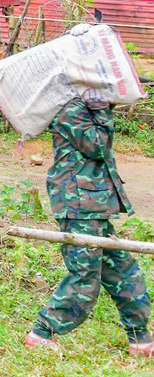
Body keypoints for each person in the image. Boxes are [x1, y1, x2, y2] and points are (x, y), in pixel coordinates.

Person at [25, 90, 154, 356]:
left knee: (123, 271)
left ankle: (140, 338)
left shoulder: (86, 107)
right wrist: (102, 112)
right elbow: (96, 146)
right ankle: (42, 332)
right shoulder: (72, 109)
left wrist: (103, 108)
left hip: (95, 205)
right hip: (78, 205)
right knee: (85, 278)